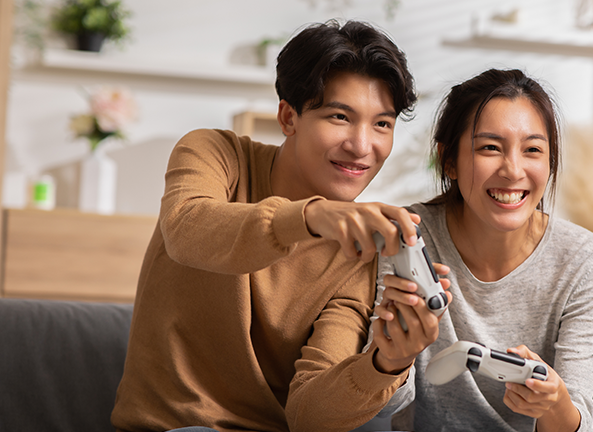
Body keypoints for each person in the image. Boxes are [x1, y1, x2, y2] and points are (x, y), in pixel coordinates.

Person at [111, 19, 450, 432]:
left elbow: (309, 415)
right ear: (288, 117)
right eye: (340, 116)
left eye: (382, 124)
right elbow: (186, 230)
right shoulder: (216, 154)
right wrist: (308, 217)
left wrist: (386, 362)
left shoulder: (360, 254)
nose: (362, 146)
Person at [370, 69, 593, 432]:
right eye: (489, 147)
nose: (513, 170)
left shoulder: (585, 261)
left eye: (532, 150)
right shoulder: (405, 235)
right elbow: (377, 410)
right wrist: (395, 354)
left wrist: (553, 401)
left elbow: (577, 421)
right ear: (448, 160)